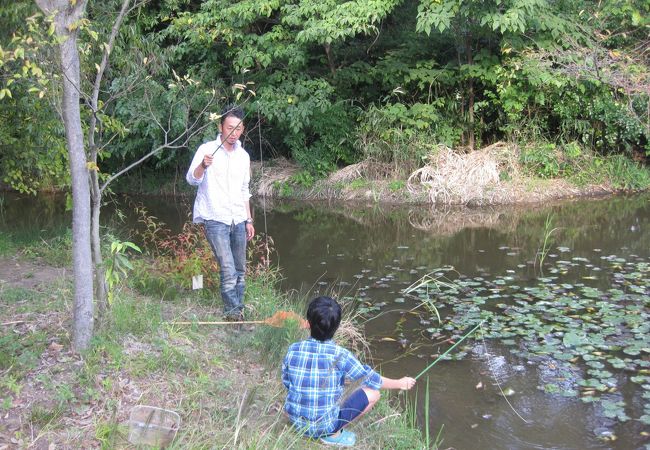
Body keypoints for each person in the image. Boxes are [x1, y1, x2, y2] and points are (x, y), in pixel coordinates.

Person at [282, 296, 416, 447]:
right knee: (373, 393)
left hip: (294, 421)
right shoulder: (341, 355)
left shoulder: (293, 349)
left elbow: (287, 382)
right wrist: (399, 383)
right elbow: (370, 379)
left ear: (307, 324)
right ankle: (332, 435)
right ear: (337, 327)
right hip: (325, 427)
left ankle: (307, 428)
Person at [186, 104, 255, 321]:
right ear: (221, 126)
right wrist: (203, 166)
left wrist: (249, 220)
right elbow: (191, 179)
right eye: (229, 128)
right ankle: (234, 316)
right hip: (215, 218)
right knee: (228, 269)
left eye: (238, 129)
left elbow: (245, 190)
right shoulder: (207, 150)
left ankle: (238, 309)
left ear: (242, 130)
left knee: (240, 270)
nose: (233, 133)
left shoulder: (243, 156)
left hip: (239, 218)